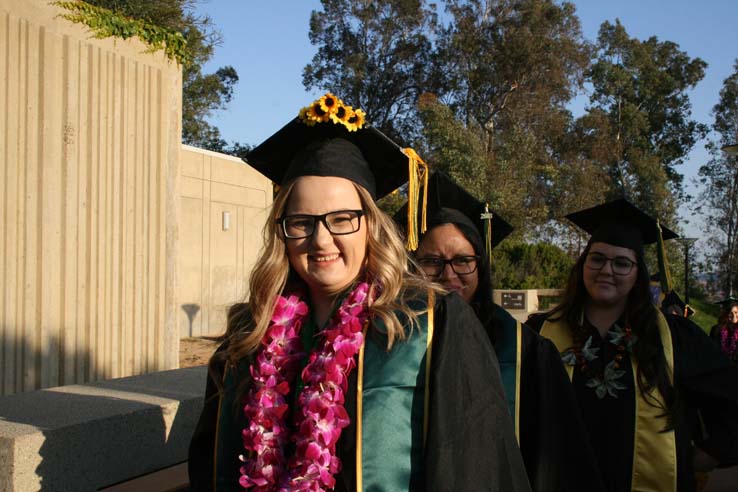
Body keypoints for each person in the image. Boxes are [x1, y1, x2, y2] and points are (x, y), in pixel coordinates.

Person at [187, 94, 530, 492]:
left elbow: (475, 465)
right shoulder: (249, 333)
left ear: (371, 224)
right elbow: (213, 467)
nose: (321, 239)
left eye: (341, 219)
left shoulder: (430, 322)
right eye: (302, 221)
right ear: (282, 229)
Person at [396, 171, 603, 492]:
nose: (448, 274)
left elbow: (558, 465)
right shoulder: (392, 346)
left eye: (463, 260)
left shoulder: (528, 352)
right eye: (431, 261)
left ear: (481, 265)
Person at [527, 199, 738, 492]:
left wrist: (714, 451)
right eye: (597, 258)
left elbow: (730, 391)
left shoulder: (673, 336)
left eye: (622, 263)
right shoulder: (540, 332)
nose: (607, 269)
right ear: (583, 264)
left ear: (638, 273)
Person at [710, 298, 738, 363]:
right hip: (719, 365)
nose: (734, 316)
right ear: (725, 314)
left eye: (736, 312)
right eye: (730, 313)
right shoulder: (716, 329)